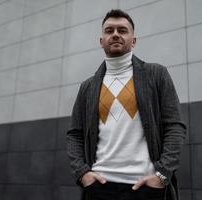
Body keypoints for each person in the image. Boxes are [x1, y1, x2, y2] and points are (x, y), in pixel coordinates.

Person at [67, 9, 186, 200]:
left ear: (134, 40)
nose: (115, 34)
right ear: (101, 41)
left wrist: (162, 175)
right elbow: (75, 134)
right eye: (109, 30)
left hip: (146, 187)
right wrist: (82, 174)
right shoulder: (87, 87)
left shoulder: (156, 75)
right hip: (99, 187)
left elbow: (175, 126)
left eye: (122, 30)